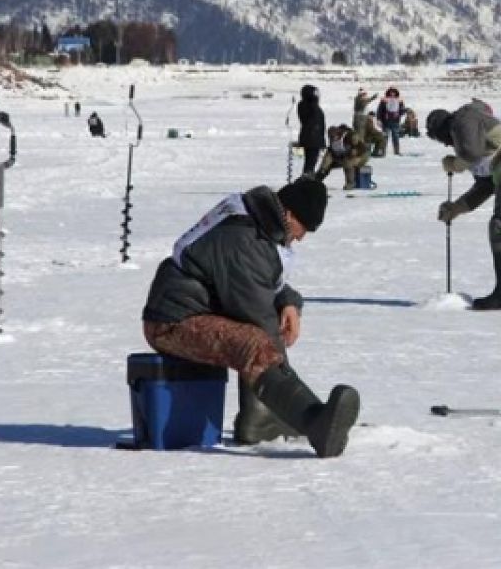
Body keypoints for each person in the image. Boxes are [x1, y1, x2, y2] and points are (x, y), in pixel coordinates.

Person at [140, 178, 359, 458]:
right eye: (304, 228)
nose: (302, 238)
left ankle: (267, 417)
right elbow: (257, 313)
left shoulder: (254, 221)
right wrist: (285, 377)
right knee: (255, 343)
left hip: (193, 309)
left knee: (257, 340)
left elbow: (259, 280)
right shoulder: (244, 239)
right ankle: (311, 422)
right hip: (172, 322)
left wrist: (288, 301)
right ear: (289, 214)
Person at [428, 101, 501, 311]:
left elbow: (470, 154)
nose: (449, 145)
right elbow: (484, 186)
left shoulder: (462, 119)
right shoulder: (473, 132)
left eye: (443, 141)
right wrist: (455, 209)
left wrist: (455, 164)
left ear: (441, 130)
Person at [315, 125, 370, 189]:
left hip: (361, 155)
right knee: (328, 162)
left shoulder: (351, 136)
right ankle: (317, 180)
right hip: (344, 156)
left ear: (339, 134)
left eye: (334, 136)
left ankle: (350, 183)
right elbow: (332, 152)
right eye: (331, 137)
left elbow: (363, 148)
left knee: (348, 162)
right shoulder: (333, 140)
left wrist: (356, 152)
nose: (333, 139)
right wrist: (324, 167)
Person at [296, 84, 326, 178]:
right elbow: (313, 120)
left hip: (312, 138)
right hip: (312, 139)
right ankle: (307, 180)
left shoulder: (307, 105)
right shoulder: (309, 106)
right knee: (310, 163)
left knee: (310, 162)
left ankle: (308, 178)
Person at [376, 87, 404, 156]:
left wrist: (399, 113)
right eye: (391, 92)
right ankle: (383, 152)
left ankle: (396, 151)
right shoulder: (384, 100)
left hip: (395, 121)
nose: (392, 94)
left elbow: (402, 110)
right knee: (384, 137)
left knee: (396, 137)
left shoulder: (399, 101)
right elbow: (380, 110)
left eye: (394, 92)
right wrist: (379, 119)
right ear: (388, 93)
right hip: (385, 121)